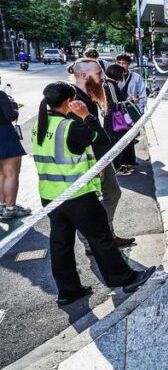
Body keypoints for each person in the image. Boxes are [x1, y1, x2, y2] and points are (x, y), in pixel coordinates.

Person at [32, 82, 154, 305]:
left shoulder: (41, 124)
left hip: (51, 195)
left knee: (61, 244)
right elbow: (103, 141)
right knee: (101, 237)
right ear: (69, 102)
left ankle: (69, 291)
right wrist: (87, 115)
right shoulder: (70, 127)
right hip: (77, 194)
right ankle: (124, 278)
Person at [69, 58, 133, 247]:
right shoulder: (75, 102)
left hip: (101, 157)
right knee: (90, 203)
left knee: (113, 193)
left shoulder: (88, 95)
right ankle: (93, 239)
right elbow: (83, 136)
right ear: (83, 76)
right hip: (88, 161)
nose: (103, 78)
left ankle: (106, 233)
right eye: (98, 74)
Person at [0, 75, 28, 219]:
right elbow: (11, 115)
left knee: (0, 174)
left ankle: (1, 205)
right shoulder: (1, 95)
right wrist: (15, 107)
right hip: (4, 134)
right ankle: (10, 207)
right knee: (11, 173)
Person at [103, 64, 133, 175]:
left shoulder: (111, 84)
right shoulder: (110, 85)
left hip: (114, 117)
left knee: (118, 141)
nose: (123, 75)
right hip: (114, 118)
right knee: (115, 142)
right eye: (122, 73)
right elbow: (114, 104)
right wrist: (129, 101)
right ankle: (116, 168)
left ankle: (119, 165)